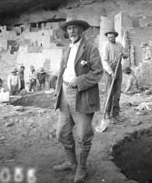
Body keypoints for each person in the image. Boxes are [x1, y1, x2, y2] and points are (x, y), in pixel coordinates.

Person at [53, 17, 103, 183]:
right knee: (62, 132)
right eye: (69, 29)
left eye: (75, 28)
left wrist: (79, 81)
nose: (72, 31)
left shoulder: (90, 48)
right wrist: (58, 88)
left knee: (83, 135)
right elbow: (63, 70)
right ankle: (71, 162)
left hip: (81, 95)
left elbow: (97, 72)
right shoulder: (66, 49)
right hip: (65, 94)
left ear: (82, 30)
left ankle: (81, 169)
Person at [101, 29, 127, 124]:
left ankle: (115, 113)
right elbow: (104, 61)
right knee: (109, 92)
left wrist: (124, 55)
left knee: (117, 92)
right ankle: (107, 113)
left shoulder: (119, 45)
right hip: (109, 69)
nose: (110, 39)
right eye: (109, 37)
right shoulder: (106, 46)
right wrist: (111, 73)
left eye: (112, 37)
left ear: (115, 36)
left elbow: (125, 54)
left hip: (118, 68)